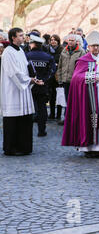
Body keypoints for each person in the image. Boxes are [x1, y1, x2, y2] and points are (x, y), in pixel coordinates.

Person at [61, 31, 99, 158]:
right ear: (88, 47)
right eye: (93, 46)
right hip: (88, 96)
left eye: (98, 46)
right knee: (90, 119)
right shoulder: (83, 60)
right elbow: (76, 78)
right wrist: (93, 77)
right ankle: (89, 147)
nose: (96, 48)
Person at [0, 28, 43, 156]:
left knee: (24, 119)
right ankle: (11, 147)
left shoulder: (21, 51)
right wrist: (28, 80)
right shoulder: (8, 52)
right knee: (13, 120)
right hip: (12, 91)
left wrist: (32, 78)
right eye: (20, 35)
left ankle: (24, 147)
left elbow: (25, 68)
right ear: (13, 37)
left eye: (23, 35)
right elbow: (13, 72)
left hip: (23, 89)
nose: (23, 38)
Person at [26, 33, 56, 137]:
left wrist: (32, 80)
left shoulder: (26, 56)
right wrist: (44, 80)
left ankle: (26, 132)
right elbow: (52, 71)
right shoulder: (48, 57)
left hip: (29, 85)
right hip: (43, 86)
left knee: (28, 108)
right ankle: (41, 130)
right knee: (42, 108)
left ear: (33, 44)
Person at [56, 33, 85, 125]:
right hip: (65, 80)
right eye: (69, 40)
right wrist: (59, 77)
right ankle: (67, 118)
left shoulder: (81, 52)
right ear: (67, 41)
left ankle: (75, 119)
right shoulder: (64, 51)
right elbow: (60, 65)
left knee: (75, 100)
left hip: (75, 80)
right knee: (66, 100)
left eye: (72, 40)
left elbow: (83, 67)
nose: (71, 42)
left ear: (76, 41)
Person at [47, 34, 63, 120]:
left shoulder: (61, 50)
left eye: (54, 40)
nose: (53, 41)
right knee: (51, 96)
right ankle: (52, 113)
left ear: (58, 41)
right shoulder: (47, 49)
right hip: (50, 76)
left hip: (58, 76)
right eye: (51, 39)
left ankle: (59, 114)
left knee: (59, 96)